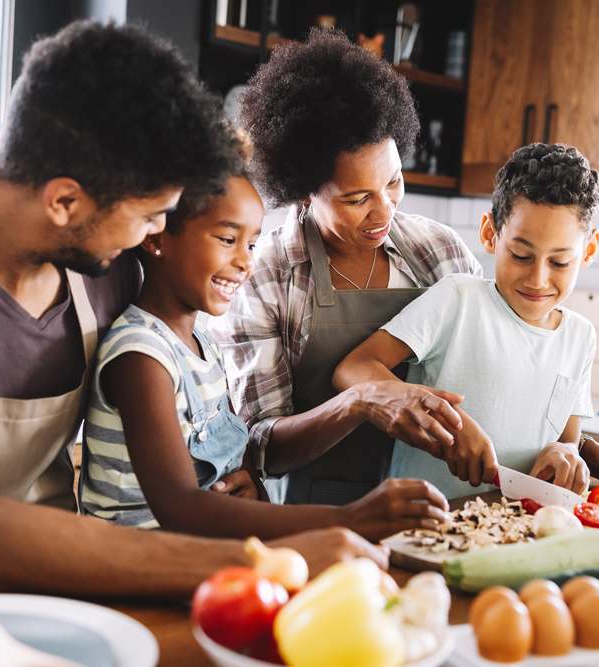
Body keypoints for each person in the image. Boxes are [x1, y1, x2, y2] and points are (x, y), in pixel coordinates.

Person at [0, 21, 383, 617]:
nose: (157, 234)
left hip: (49, 604)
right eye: (152, 216)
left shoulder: (109, 266)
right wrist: (265, 557)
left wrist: (228, 479)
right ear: (65, 201)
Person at [80, 151, 451, 540]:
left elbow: (230, 469)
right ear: (155, 237)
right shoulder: (142, 355)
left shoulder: (200, 345)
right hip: (138, 567)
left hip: (196, 554)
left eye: (252, 244)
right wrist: (348, 520)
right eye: (228, 239)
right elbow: (180, 507)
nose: (245, 262)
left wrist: (250, 485)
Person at [211, 29, 494, 507]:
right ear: (303, 189)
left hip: (438, 507)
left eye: (394, 182)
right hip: (316, 513)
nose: (384, 211)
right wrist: (360, 402)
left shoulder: (439, 252)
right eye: (357, 198)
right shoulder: (266, 275)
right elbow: (261, 448)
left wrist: (578, 447)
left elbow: (494, 370)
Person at [334, 143, 599, 500]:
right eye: (521, 255)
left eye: (559, 262)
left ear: (588, 251)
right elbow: (353, 369)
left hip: (516, 533)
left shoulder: (580, 337)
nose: (538, 279)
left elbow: (566, 440)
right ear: (490, 234)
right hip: (424, 526)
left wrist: (564, 454)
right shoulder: (458, 300)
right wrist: (446, 420)